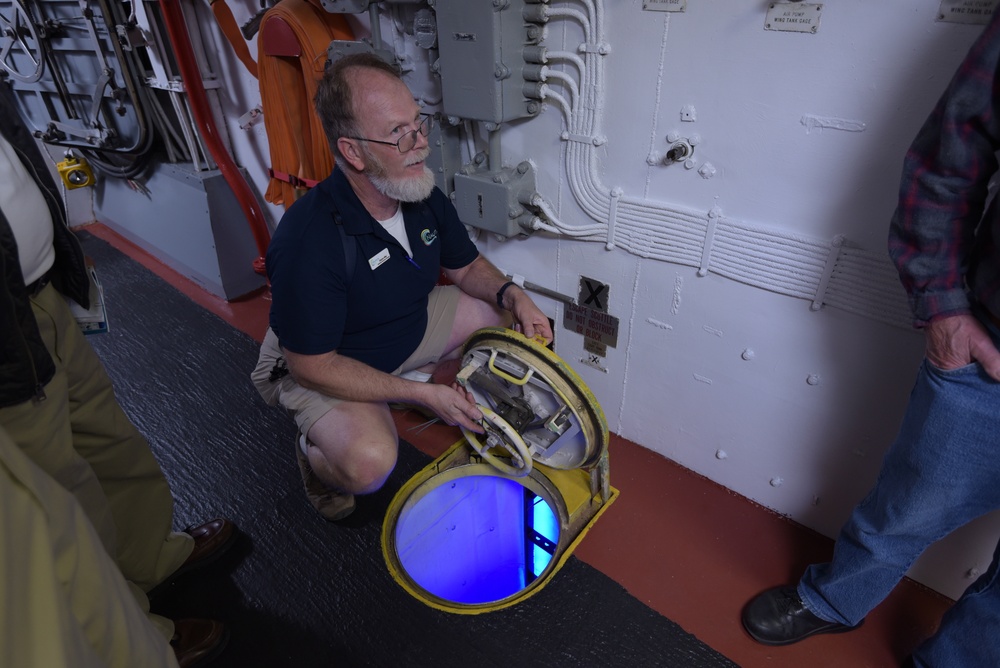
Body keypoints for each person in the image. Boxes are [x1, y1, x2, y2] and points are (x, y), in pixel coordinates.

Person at [741, 9, 1000, 666]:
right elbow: (952, 151)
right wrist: (942, 303)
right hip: (991, 351)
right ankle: (835, 600)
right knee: (912, 499)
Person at [252, 53, 553, 521]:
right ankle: (316, 452)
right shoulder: (308, 241)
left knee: (497, 314)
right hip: (327, 363)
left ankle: (423, 379)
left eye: (419, 124)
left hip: (403, 326)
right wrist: (416, 396)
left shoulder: (419, 192)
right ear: (353, 152)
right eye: (398, 134)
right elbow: (312, 365)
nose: (421, 146)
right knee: (369, 466)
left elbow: (466, 266)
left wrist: (513, 294)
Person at [0, 82, 234, 665]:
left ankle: (152, 555)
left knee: (106, 436)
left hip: (43, 288)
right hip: (5, 336)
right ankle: (141, 631)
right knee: (60, 489)